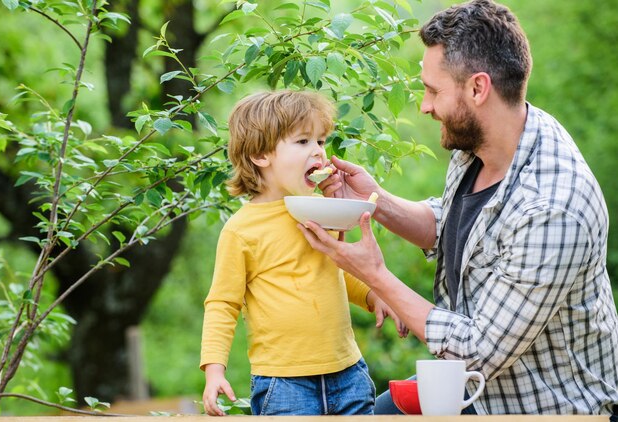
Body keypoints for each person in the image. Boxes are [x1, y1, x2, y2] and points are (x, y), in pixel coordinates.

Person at [298, 0, 618, 417]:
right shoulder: (485, 143)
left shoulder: (554, 207)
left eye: (433, 91)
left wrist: (373, 275)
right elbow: (451, 228)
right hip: (471, 388)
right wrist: (373, 203)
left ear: (478, 88)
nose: (425, 106)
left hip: (542, 408)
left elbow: (478, 352)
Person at [199, 90, 407, 416]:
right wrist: (214, 370)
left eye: (321, 141)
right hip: (284, 383)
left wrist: (373, 295)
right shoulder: (241, 230)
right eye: (303, 142)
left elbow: (334, 270)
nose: (319, 152)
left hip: (348, 372)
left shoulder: (321, 211)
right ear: (260, 155)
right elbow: (222, 305)